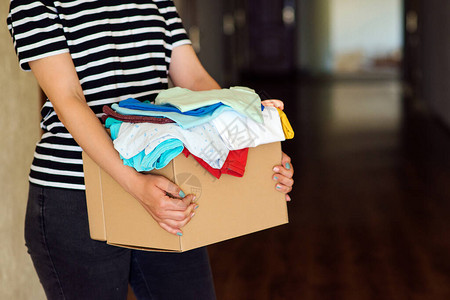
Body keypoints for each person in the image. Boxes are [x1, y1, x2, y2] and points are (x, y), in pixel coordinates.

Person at [7, 0, 294, 299]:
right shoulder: (36, 4)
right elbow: (69, 99)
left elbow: (195, 81)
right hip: (76, 197)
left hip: (160, 179)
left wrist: (257, 146)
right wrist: (134, 183)